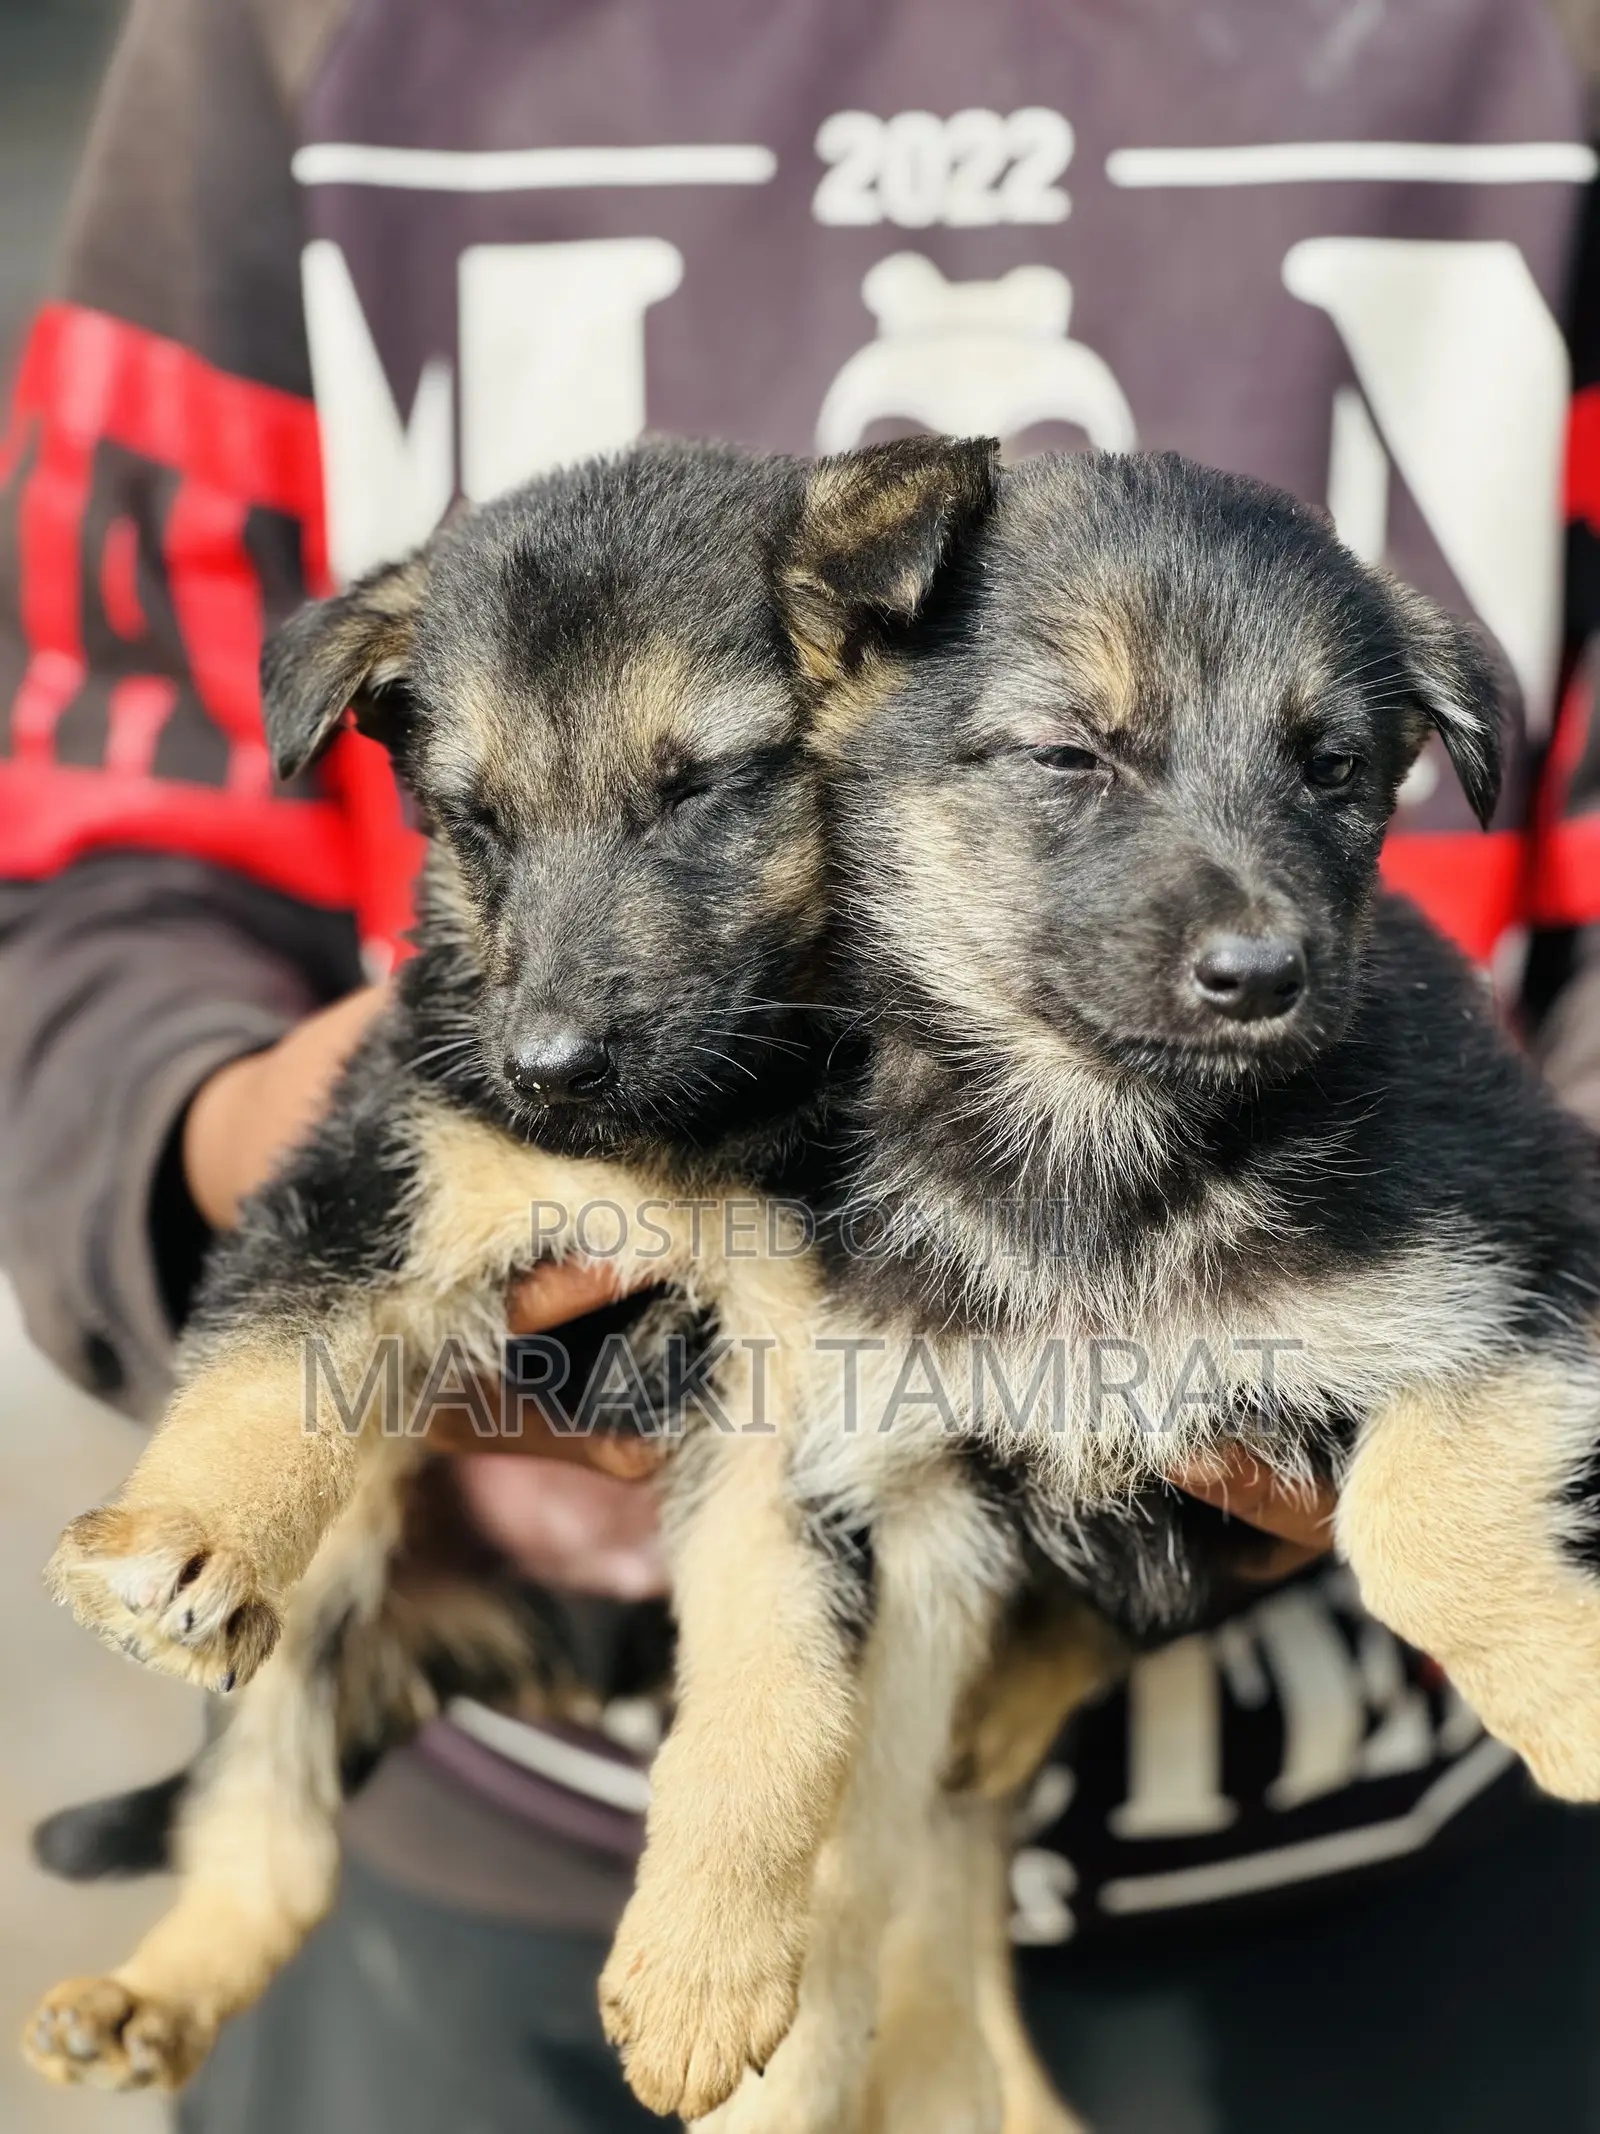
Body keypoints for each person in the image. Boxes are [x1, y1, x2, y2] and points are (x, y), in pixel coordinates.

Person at [7, 3, 1600, 2127]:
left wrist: (1449, 1329)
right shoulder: (288, 33)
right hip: (495, 1895)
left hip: (1426, 1871)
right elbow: (100, 835)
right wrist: (266, 1171)